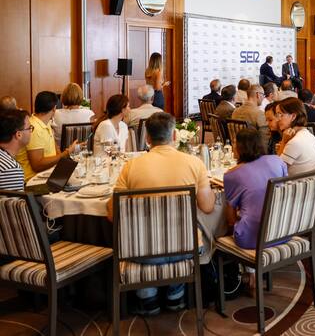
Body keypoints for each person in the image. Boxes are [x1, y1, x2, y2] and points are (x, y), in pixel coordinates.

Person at [108, 112, 215, 315]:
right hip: (185, 248)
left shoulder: (131, 167)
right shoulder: (194, 164)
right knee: (190, 236)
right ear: (174, 135)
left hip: (141, 251)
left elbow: (113, 215)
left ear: (147, 138)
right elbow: (208, 207)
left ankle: (147, 296)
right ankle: (175, 294)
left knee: (142, 242)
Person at [223, 127, 288, 249]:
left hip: (252, 238)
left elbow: (231, 219)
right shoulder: (277, 161)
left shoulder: (231, 174)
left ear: (240, 147)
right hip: (283, 231)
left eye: (234, 143)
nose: (233, 146)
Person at [16, 91, 79, 180]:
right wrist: (67, 153)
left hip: (48, 175)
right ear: (54, 108)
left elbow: (56, 151)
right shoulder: (34, 128)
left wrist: (68, 152)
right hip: (32, 180)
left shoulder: (46, 123)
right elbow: (37, 165)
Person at [274, 97, 315, 175]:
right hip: (311, 181)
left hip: (298, 182)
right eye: (277, 115)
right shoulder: (308, 134)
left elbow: (276, 171)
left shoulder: (295, 141)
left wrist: (283, 142)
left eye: (280, 114)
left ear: (293, 116)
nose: (277, 119)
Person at [52, 83, 94, 147]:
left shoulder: (55, 113)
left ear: (63, 96)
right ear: (80, 96)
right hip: (82, 150)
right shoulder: (89, 114)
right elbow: (91, 135)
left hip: (60, 151)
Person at [0, 109, 31, 190]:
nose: (31, 132)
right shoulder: (10, 169)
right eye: (29, 128)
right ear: (18, 135)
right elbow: (16, 198)